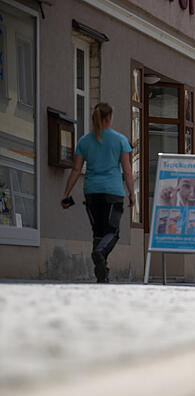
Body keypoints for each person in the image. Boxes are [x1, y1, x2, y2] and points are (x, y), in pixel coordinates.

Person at [61, 103, 135, 283]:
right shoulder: (120, 140)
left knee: (98, 233)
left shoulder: (84, 141)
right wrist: (132, 194)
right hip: (113, 192)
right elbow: (126, 170)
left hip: (92, 192)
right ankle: (100, 254)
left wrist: (66, 194)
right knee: (113, 233)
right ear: (109, 117)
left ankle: (102, 274)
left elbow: (76, 169)